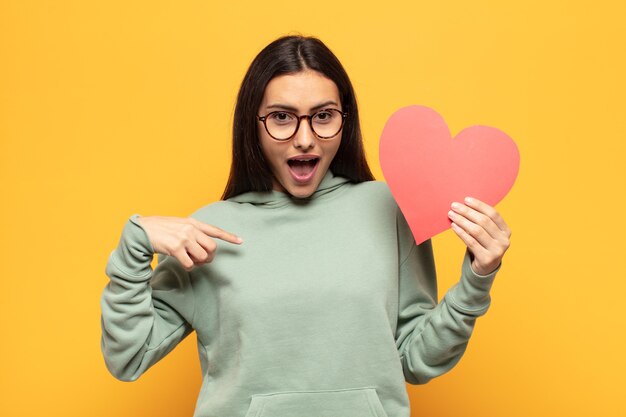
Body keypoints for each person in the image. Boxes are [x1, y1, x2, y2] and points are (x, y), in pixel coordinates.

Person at [100, 35, 511, 417]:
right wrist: (134, 246)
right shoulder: (211, 229)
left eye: (323, 116)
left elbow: (417, 359)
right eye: (282, 117)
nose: (305, 139)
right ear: (253, 125)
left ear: (344, 120)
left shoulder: (387, 209)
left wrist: (477, 279)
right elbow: (129, 356)